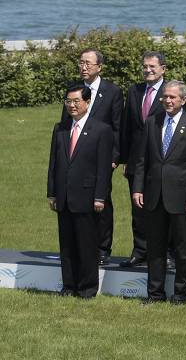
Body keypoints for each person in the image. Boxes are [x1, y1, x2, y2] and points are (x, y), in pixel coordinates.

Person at [132, 81, 186, 304]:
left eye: (172, 97)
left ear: (183, 100)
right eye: (165, 96)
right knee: (155, 248)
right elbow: (141, 160)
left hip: (182, 197)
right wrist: (138, 188)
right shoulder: (152, 123)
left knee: (184, 249)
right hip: (154, 195)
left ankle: (180, 294)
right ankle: (154, 294)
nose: (167, 100)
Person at [48, 84, 113, 298]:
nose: (72, 106)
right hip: (64, 196)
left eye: (76, 101)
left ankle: (87, 288)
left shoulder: (101, 130)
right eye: (68, 101)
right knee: (67, 245)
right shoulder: (61, 129)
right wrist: (52, 193)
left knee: (86, 244)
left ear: (87, 102)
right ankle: (69, 286)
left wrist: (100, 196)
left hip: (87, 196)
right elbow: (54, 163)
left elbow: (103, 168)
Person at [62, 48, 123, 265]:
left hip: (103, 155)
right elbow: (65, 124)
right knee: (78, 201)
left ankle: (102, 248)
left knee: (102, 200)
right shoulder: (74, 91)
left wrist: (115, 157)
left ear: (99, 67)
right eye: (81, 62)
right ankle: (81, 246)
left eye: (88, 63)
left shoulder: (112, 91)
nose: (83, 67)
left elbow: (117, 127)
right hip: (77, 154)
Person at [119, 51, 180, 268]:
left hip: (162, 162)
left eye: (152, 67)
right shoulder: (134, 91)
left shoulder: (172, 92)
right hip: (137, 162)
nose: (147, 70)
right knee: (138, 209)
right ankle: (141, 250)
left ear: (163, 68)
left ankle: (169, 253)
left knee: (165, 208)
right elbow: (127, 126)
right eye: (144, 66)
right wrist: (124, 158)